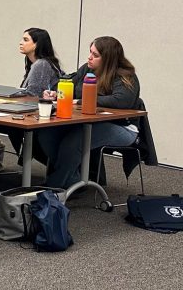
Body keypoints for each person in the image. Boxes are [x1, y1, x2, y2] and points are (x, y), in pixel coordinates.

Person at [37, 36, 141, 189]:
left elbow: (121, 101)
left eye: (95, 55)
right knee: (46, 134)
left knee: (75, 141)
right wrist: (56, 93)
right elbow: (71, 86)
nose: (90, 57)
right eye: (90, 52)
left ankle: (53, 188)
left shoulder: (125, 76)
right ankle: (74, 179)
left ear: (109, 59)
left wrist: (82, 101)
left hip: (123, 127)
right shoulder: (87, 68)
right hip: (88, 122)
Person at [19, 28, 63, 97]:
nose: (20, 43)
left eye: (26, 40)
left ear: (36, 44)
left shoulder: (42, 64)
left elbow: (34, 95)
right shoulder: (39, 63)